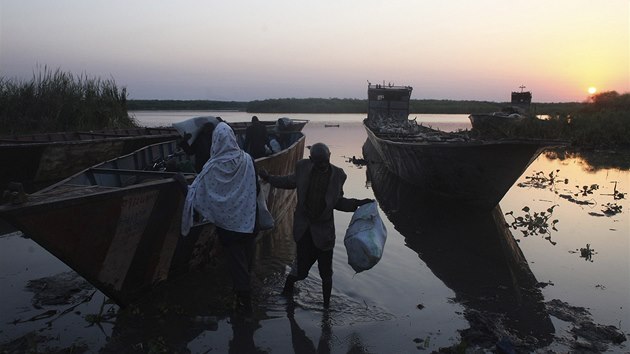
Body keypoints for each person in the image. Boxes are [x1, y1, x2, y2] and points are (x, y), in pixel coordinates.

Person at [259, 142, 372, 308]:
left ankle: (327, 308)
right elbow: (288, 181)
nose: (323, 166)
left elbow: (337, 202)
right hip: (304, 231)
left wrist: (358, 203)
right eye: (319, 163)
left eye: (325, 161)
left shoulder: (338, 175)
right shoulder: (302, 168)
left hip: (324, 233)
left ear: (329, 157)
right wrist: (269, 178)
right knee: (301, 272)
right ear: (311, 160)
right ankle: (286, 293)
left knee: (327, 274)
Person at [181, 121, 258, 315]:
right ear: (232, 138)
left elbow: (198, 195)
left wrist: (181, 183)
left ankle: (245, 307)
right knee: (246, 262)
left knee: (237, 265)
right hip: (250, 223)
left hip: (229, 227)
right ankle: (242, 296)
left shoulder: (211, 166)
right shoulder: (248, 159)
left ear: (216, 141)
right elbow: (255, 188)